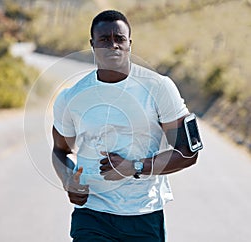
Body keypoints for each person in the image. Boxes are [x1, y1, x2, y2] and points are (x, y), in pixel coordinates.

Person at [52, 10, 200, 242]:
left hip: (142, 215)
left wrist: (136, 166)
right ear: (92, 44)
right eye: (104, 39)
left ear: (129, 43)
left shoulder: (159, 87)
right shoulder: (71, 97)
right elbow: (60, 150)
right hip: (92, 215)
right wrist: (68, 180)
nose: (113, 45)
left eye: (119, 39)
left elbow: (188, 153)